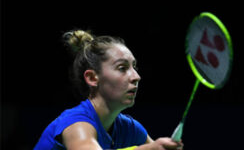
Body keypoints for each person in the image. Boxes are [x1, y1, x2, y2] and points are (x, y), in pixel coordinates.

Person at [34, 29, 183, 150]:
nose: (136, 76)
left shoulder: (129, 129)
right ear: (92, 78)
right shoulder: (75, 123)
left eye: (134, 67)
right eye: (122, 68)